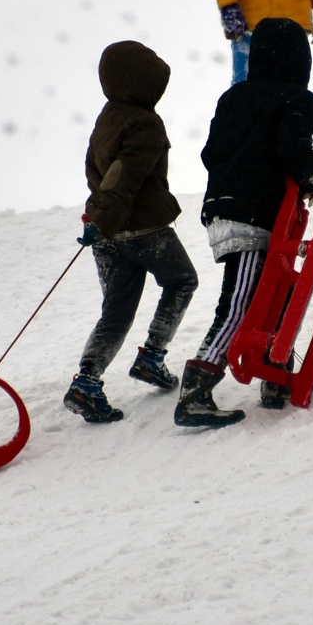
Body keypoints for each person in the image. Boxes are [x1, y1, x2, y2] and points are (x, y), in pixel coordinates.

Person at [177, 18, 313, 428]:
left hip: (225, 209)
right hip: (255, 215)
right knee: (243, 302)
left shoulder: (233, 99)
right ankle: (196, 389)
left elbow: (211, 152)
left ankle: (274, 375)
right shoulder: (298, 98)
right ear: (301, 61)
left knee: (273, 293)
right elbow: (291, 148)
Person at [64, 41, 199, 424]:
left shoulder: (107, 118)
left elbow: (100, 174)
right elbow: (126, 174)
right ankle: (153, 356)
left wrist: (99, 222)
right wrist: (107, 218)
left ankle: (86, 383)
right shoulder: (145, 122)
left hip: (103, 231)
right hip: (141, 227)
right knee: (183, 281)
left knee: (117, 310)